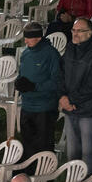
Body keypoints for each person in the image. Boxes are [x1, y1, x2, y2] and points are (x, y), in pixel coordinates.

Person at [59, 18, 92, 173]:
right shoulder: (70, 48)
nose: (75, 34)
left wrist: (70, 99)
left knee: (89, 153)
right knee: (72, 152)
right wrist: (62, 97)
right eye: (73, 30)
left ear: (90, 33)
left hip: (89, 108)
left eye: (80, 31)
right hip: (70, 107)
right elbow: (61, 73)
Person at [15, 22, 61, 159]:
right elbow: (22, 74)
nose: (25, 40)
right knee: (27, 144)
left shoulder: (51, 54)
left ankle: (45, 174)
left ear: (38, 38)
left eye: (29, 37)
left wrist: (35, 86)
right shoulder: (26, 53)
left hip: (44, 107)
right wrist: (19, 82)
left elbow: (57, 81)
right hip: (27, 105)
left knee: (43, 146)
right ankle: (29, 173)